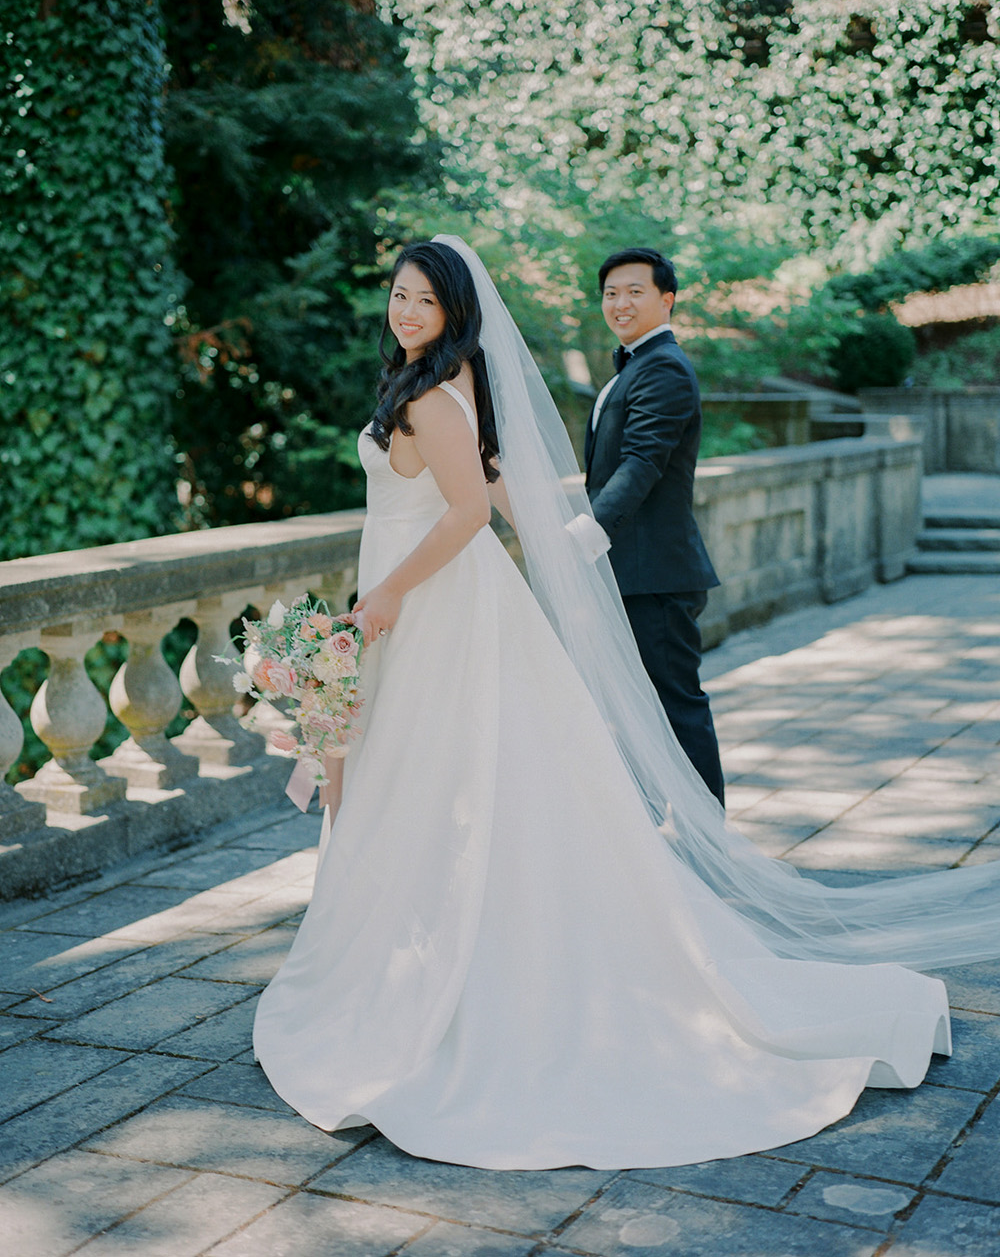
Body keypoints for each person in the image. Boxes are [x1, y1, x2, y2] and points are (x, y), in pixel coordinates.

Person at [254, 235, 1000, 1172]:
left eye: (424, 302)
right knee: (433, 774)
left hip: (432, 600)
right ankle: (415, 944)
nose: (406, 313)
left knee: (458, 766)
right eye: (398, 297)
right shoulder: (431, 385)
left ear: (453, 314)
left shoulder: (441, 393)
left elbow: (465, 512)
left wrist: (389, 597)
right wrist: (545, 552)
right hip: (429, 598)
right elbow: (490, 485)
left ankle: (477, 967)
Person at [586, 247, 724, 805]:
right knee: (639, 712)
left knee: (677, 707)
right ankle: (661, 841)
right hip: (632, 571)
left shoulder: (663, 366)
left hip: (655, 574)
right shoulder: (634, 364)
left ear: (666, 300)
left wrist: (582, 534)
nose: (620, 303)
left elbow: (642, 462)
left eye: (634, 291)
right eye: (611, 293)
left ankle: (708, 852)